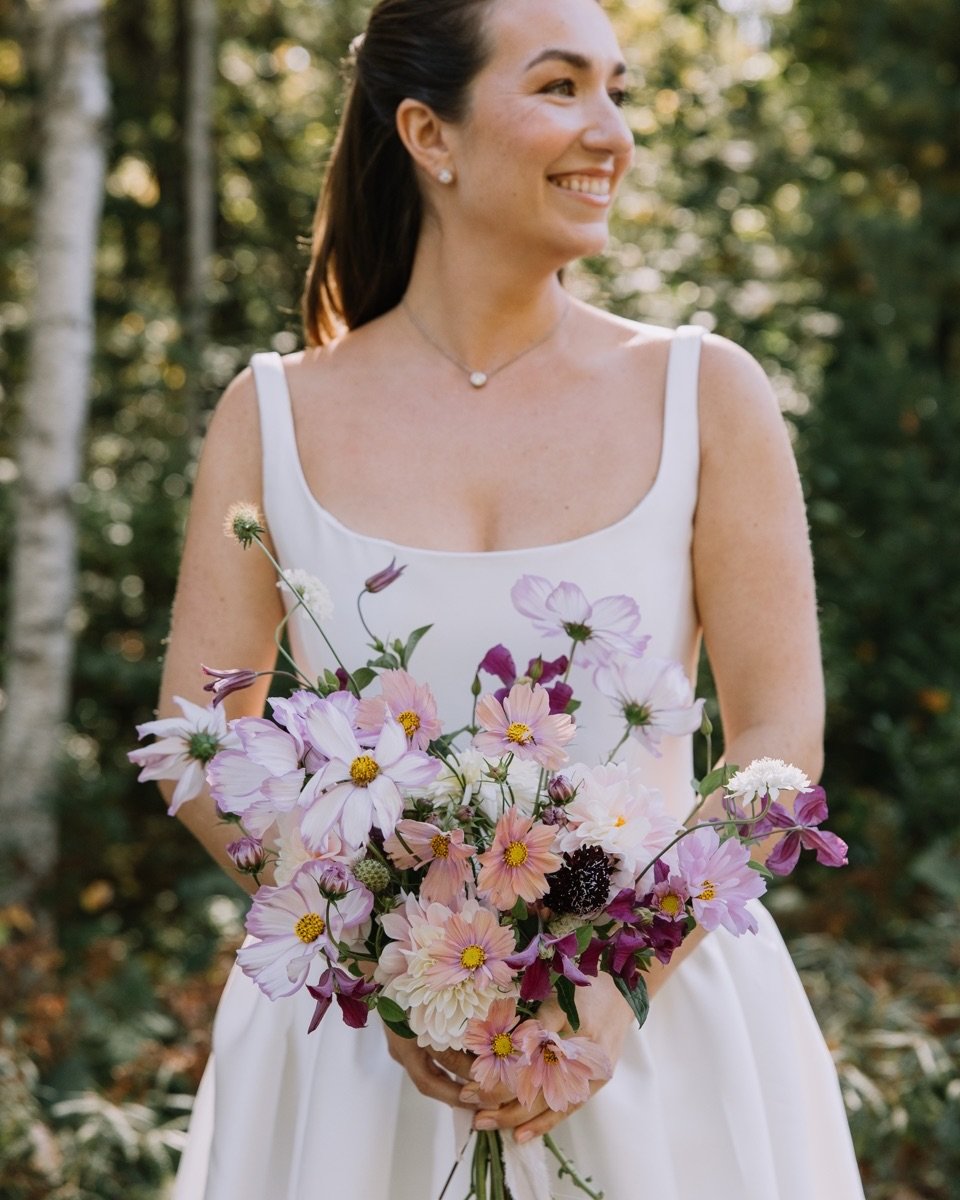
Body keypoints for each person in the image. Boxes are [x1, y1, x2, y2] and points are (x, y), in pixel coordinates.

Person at [156, 0, 866, 1196]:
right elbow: (198, 739)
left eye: (618, 90)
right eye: (560, 87)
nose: (612, 133)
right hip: (357, 1065)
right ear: (429, 134)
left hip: (660, 1037)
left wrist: (617, 979)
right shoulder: (271, 411)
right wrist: (382, 962)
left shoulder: (705, 393)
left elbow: (777, 746)